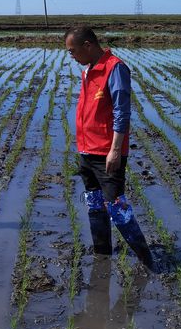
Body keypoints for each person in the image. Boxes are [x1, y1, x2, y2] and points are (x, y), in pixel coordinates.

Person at [65, 25, 155, 270]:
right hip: (86, 150)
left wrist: (115, 150)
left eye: (73, 51)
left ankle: (148, 261)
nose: (71, 56)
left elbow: (121, 112)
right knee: (94, 204)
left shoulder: (115, 68)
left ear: (88, 45)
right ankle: (102, 254)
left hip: (106, 153)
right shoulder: (88, 71)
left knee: (117, 207)